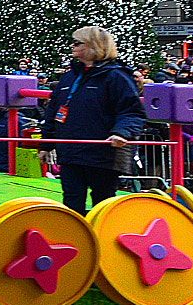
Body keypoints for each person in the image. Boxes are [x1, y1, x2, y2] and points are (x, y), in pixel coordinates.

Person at [41, 25, 148, 215]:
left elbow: (131, 111)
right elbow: (53, 113)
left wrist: (121, 133)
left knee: (103, 203)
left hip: (102, 154)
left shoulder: (117, 76)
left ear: (93, 46)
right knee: (71, 202)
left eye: (77, 43)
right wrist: (46, 144)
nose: (72, 47)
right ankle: (76, 240)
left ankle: (101, 241)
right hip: (70, 153)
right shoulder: (68, 77)